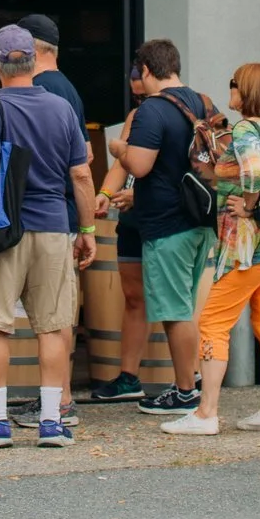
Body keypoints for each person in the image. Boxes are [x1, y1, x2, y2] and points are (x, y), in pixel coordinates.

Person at [0, 25, 98, 448]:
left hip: (5, 232)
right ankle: (52, 421)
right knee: (52, 328)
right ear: (33, 61)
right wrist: (86, 229)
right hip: (54, 227)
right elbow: (82, 174)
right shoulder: (61, 109)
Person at [162, 62, 260, 436]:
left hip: (244, 247)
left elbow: (252, 172)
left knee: (213, 323)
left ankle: (206, 414)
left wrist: (249, 205)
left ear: (245, 90)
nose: (230, 91)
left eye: (233, 85)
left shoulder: (246, 130)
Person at [120, 38, 215, 416]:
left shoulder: (151, 111)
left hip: (167, 224)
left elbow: (140, 166)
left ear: (145, 70)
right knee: (186, 304)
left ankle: (185, 390)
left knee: (175, 311)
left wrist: (119, 151)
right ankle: (190, 385)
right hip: (201, 218)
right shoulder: (203, 102)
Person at [89, 61, 153, 404]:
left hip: (165, 217)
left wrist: (139, 194)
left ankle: (190, 380)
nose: (139, 99)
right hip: (130, 218)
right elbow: (121, 165)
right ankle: (129, 376)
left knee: (176, 301)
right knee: (133, 296)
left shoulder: (191, 108)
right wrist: (105, 194)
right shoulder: (135, 117)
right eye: (136, 95)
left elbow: (186, 170)